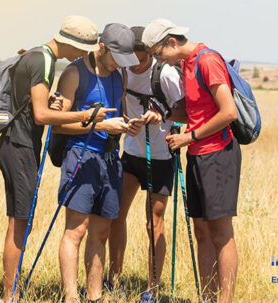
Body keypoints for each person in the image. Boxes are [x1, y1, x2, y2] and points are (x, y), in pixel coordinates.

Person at [0, 15, 113, 303]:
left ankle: (12, 291)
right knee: (20, 223)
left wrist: (53, 105)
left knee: (21, 221)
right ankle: (10, 296)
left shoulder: (36, 53)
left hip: (16, 145)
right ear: (73, 44)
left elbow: (35, 105)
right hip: (20, 147)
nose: (82, 56)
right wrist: (85, 116)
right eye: (82, 49)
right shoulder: (45, 61)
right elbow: (40, 116)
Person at [53, 23, 160, 302]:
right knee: (76, 230)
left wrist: (127, 125)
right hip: (81, 157)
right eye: (115, 59)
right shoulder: (74, 73)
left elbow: (117, 114)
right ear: (101, 48)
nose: (118, 65)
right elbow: (58, 126)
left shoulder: (120, 74)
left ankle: (96, 296)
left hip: (112, 160)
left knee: (101, 231)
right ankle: (71, 297)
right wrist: (99, 127)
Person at [143, 19, 241, 303]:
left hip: (218, 154)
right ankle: (207, 298)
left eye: (157, 54)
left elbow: (228, 112)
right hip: (198, 155)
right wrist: (164, 115)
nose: (157, 60)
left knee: (221, 233)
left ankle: (224, 300)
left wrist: (189, 137)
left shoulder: (208, 60)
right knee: (201, 231)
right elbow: (194, 111)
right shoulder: (186, 65)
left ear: (172, 42)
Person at [107, 26, 186, 302]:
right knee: (115, 215)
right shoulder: (123, 71)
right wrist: (128, 123)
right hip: (131, 152)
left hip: (161, 156)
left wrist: (161, 113)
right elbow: (122, 104)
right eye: (132, 59)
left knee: (154, 223)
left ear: (150, 54)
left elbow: (186, 110)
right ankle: (112, 282)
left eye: (142, 59)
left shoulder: (163, 73)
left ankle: (152, 290)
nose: (136, 65)